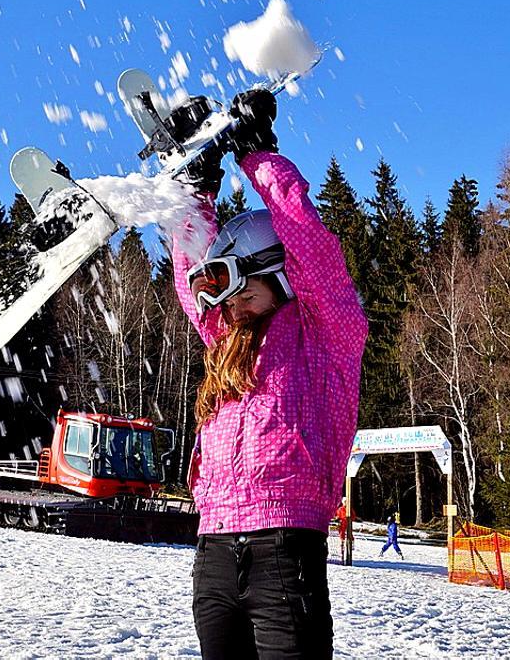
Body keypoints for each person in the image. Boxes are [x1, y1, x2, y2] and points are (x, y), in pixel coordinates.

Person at [172, 88, 368, 659]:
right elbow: (192, 282)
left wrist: (259, 157)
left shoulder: (326, 333)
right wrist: (197, 189)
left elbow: (309, 241)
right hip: (212, 556)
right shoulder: (227, 343)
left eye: (239, 289)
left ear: (278, 273)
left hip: (283, 554)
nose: (226, 307)